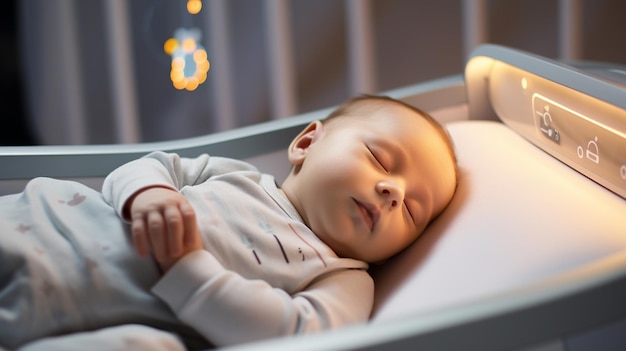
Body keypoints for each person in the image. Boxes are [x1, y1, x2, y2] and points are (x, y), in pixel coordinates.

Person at [0, 95, 458, 351]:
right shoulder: (234, 173)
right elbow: (147, 166)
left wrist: (191, 271)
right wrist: (150, 193)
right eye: (379, 158)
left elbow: (300, 337)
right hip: (48, 228)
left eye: (414, 210)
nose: (393, 191)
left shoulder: (344, 279)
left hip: (85, 325)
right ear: (307, 143)